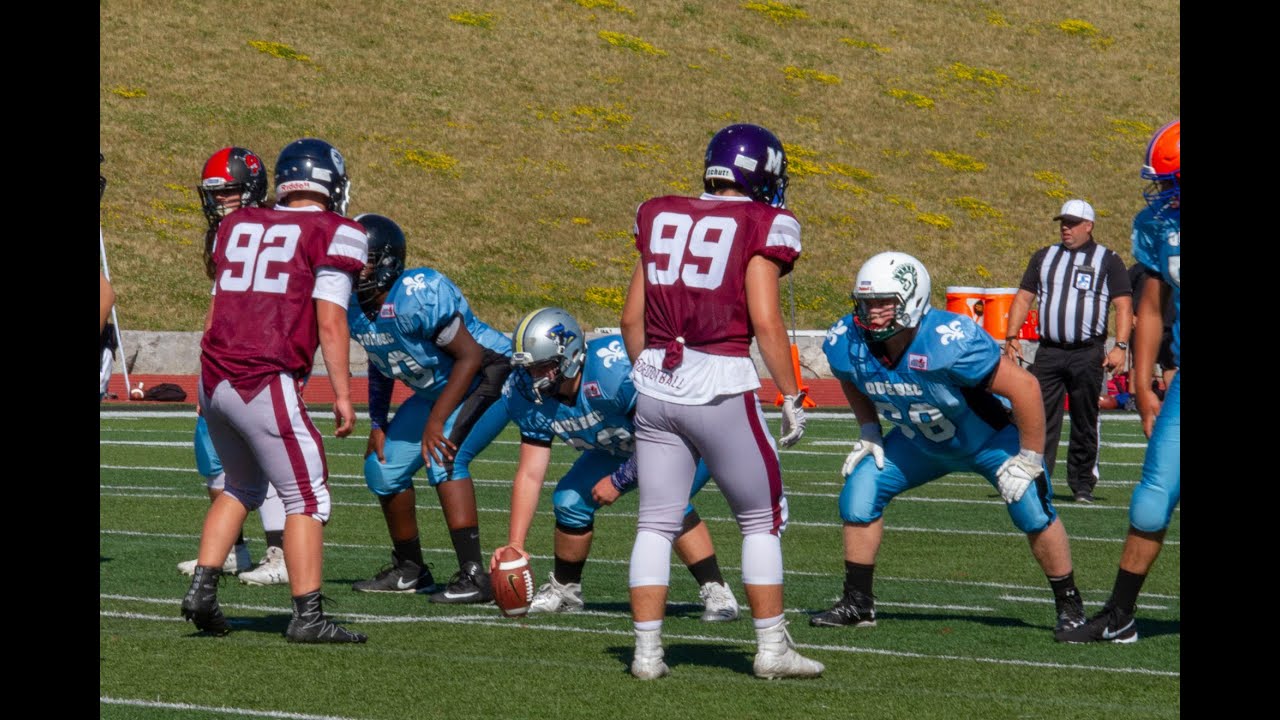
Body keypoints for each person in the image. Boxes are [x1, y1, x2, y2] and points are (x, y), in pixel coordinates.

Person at [620, 123, 821, 680]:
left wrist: (649, 372)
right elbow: (765, 319)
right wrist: (790, 392)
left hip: (656, 379)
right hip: (721, 382)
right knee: (761, 518)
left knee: (655, 523)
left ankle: (646, 655)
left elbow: (630, 319)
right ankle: (772, 650)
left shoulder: (658, 212)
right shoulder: (763, 222)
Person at [811, 251, 1086, 641]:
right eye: (866, 303)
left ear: (914, 300)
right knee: (859, 492)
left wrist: (1029, 457)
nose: (872, 313)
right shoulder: (848, 340)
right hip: (919, 443)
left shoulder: (947, 340)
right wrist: (869, 429)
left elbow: (1025, 387)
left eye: (884, 303)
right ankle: (858, 602)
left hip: (989, 440)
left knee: (1032, 509)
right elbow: (850, 377)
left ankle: (1070, 606)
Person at [181, 137, 368, 643]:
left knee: (240, 486)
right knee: (307, 495)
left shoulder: (238, 223)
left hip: (215, 374)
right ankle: (308, 616)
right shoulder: (336, 232)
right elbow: (330, 321)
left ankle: (203, 589)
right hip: (264, 376)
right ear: (332, 184)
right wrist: (345, 393)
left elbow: (217, 307)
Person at [463, 306, 738, 620]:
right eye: (528, 369)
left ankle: (718, 592)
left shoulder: (612, 372)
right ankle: (566, 590)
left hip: (686, 435)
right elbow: (529, 473)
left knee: (666, 499)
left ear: (569, 356)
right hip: (620, 443)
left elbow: (662, 440)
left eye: (541, 367)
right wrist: (515, 542)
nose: (531, 378)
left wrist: (619, 481)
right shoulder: (525, 395)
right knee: (568, 501)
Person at [347, 213, 512, 604]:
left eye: (363, 259)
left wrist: (437, 421)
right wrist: (377, 420)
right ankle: (410, 570)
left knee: (444, 457)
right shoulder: (354, 307)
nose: (353, 268)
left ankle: (475, 576)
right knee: (382, 470)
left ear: (387, 261)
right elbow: (379, 358)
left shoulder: (416, 294)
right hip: (435, 391)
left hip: (489, 376)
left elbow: (470, 357)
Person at [1060, 119, 1179, 644]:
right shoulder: (1157, 223)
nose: (1164, 196)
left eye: (1172, 185)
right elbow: (1152, 308)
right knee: (1152, 497)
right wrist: (1144, 381)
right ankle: (1122, 613)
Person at [175, 146, 290, 586]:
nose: (219, 202)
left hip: (264, 354)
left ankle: (280, 552)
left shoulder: (272, 228)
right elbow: (219, 300)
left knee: (272, 456)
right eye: (214, 195)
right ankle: (233, 550)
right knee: (213, 450)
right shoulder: (226, 234)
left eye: (229, 192)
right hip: (226, 355)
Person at [1004, 198, 1133, 503]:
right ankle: (1038, 481)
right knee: (1038, 416)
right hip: (1049, 351)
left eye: (1073, 223)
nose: (1066, 228)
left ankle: (1082, 484)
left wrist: (1121, 346)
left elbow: (1123, 305)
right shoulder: (1044, 257)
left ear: (1089, 226)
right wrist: (1011, 336)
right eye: (1063, 222)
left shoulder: (1108, 259)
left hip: (1087, 351)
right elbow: (1024, 298)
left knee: (1084, 418)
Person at [1129, 261, 1178, 391]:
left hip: (1168, 324)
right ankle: (1134, 398)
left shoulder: (1175, 266)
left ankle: (1170, 399)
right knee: (1139, 363)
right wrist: (1131, 315)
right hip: (1142, 323)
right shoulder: (1140, 267)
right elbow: (1124, 292)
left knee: (1169, 365)